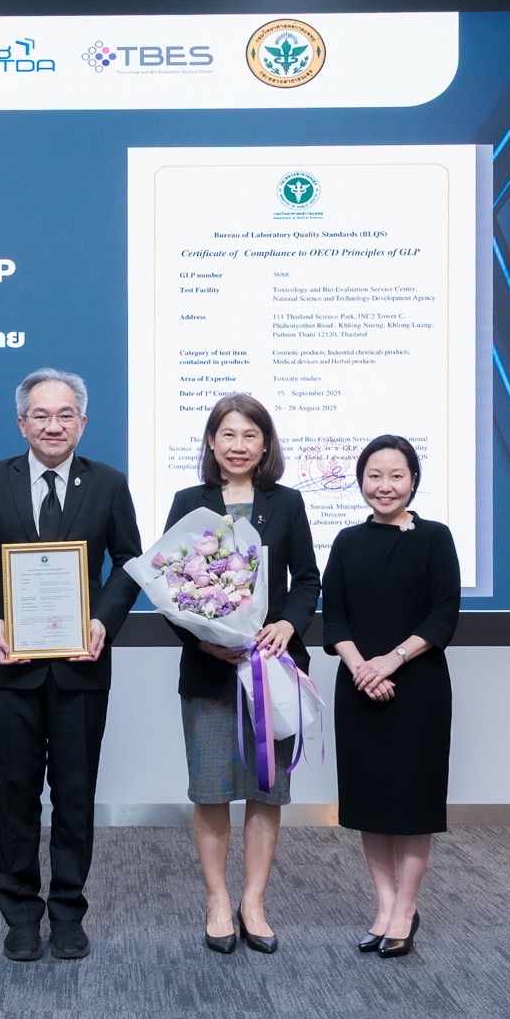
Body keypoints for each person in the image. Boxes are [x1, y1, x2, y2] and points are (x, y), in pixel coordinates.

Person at [0, 367, 142, 962]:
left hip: (82, 665)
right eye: (41, 415)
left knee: (75, 793)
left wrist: (103, 621)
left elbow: (128, 560)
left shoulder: (108, 483)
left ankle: (67, 912)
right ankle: (20, 914)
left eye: (64, 416)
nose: (53, 426)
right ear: (22, 423)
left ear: (82, 423)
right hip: (12, 664)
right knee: (17, 793)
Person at [162, 394, 319, 954]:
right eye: (228, 434)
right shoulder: (189, 502)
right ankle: (217, 901)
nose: (238, 445)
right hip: (209, 671)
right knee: (210, 791)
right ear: (211, 441)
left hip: (271, 668)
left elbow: (307, 579)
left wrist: (287, 625)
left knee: (265, 790)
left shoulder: (288, 502)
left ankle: (254, 902)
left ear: (265, 444)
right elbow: (169, 586)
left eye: (250, 435)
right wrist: (204, 641)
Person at [321, 434, 459, 960]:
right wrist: (362, 668)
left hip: (418, 690)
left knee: (413, 802)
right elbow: (334, 618)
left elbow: (443, 616)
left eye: (396, 475)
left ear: (413, 480)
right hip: (359, 687)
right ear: (360, 481)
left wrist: (391, 660)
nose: (385, 486)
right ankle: (383, 907)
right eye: (374, 476)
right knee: (371, 802)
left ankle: (406, 907)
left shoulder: (436, 538)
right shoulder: (347, 541)